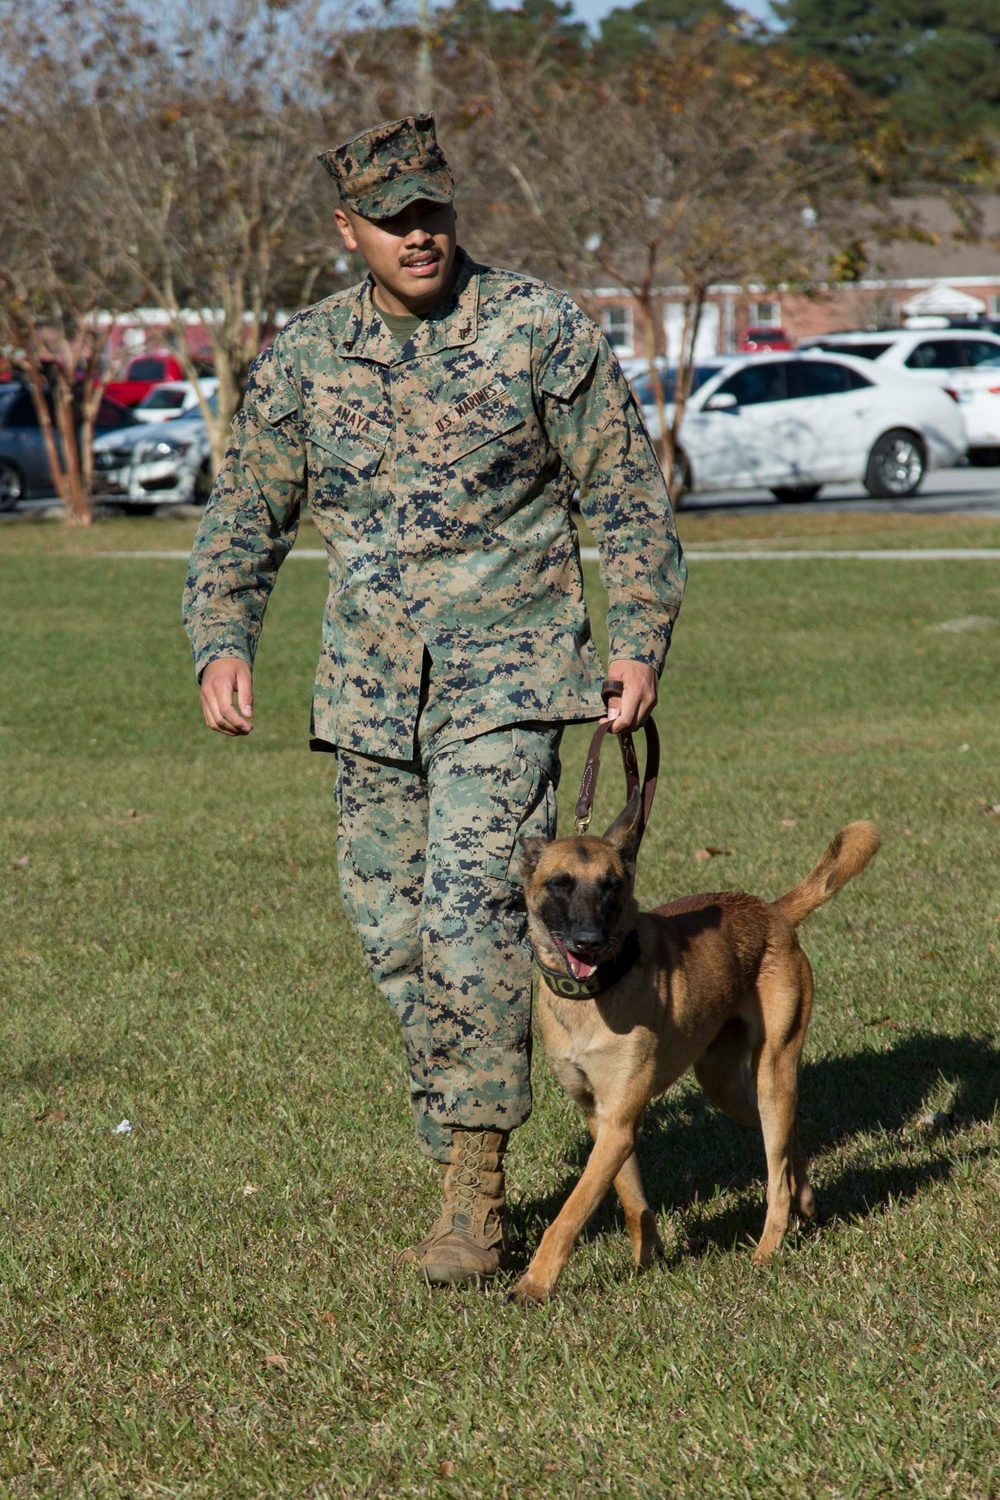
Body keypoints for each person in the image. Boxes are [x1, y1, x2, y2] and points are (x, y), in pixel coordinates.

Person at [183, 114, 685, 1286]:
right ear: (346, 229)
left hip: (511, 678)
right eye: (394, 217)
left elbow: (626, 497)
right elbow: (245, 512)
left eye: (434, 211)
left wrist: (639, 636)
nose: (420, 233)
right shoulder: (306, 357)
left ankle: (475, 1191)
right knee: (392, 930)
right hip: (368, 692)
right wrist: (221, 637)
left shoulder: (537, 331)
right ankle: (470, 1108)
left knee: (469, 921)